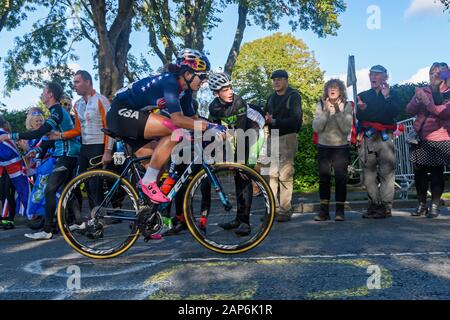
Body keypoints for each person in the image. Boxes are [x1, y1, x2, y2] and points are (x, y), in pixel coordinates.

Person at [106, 48, 225, 204]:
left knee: (157, 165)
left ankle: (145, 212)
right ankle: (147, 182)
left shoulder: (185, 92)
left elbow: (191, 118)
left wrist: (213, 127)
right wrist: (209, 127)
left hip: (134, 119)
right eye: (202, 76)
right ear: (188, 73)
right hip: (120, 113)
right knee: (175, 131)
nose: (204, 81)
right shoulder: (170, 82)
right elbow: (177, 120)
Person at [0, 82, 81, 240]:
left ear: (50, 94)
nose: (41, 94)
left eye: (44, 91)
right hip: (64, 155)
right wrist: (35, 151)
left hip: (68, 154)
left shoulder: (57, 110)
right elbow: (48, 139)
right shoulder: (53, 111)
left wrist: (11, 136)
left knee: (50, 190)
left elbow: (41, 132)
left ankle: (48, 229)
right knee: (64, 190)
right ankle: (78, 221)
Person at [202, 72, 265, 236]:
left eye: (230, 87)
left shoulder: (238, 102)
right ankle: (238, 218)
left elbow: (242, 134)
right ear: (216, 93)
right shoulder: (213, 107)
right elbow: (216, 133)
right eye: (225, 89)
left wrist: (237, 162)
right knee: (237, 174)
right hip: (239, 133)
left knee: (243, 174)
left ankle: (245, 222)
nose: (230, 92)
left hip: (254, 131)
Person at [48, 70, 114, 211]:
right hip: (85, 147)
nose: (74, 85)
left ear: (87, 82)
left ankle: (99, 222)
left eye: (77, 82)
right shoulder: (78, 104)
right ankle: (90, 220)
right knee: (82, 182)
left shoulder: (101, 100)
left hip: (99, 145)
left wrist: (108, 151)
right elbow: (78, 130)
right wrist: (59, 135)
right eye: (74, 83)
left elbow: (110, 128)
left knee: (95, 185)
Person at [406, 62, 450, 218]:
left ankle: (435, 205)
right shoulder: (423, 90)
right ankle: (421, 204)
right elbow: (409, 110)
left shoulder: (448, 93)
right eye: (432, 73)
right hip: (421, 137)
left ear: (446, 75)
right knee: (420, 173)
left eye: (439, 73)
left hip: (440, 137)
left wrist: (427, 102)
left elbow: (444, 113)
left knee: (437, 172)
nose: (434, 76)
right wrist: (417, 100)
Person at [263, 69, 302, 222]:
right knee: (271, 175)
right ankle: (272, 209)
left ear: (286, 80)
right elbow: (266, 115)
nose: (276, 82)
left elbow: (295, 120)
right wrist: (266, 119)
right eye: (274, 80)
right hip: (272, 137)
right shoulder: (271, 98)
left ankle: (285, 211)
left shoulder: (294, 96)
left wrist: (275, 121)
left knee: (285, 175)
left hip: (287, 137)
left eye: (279, 79)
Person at [312, 79, 353, 222]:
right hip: (324, 147)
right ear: (326, 90)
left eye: (335, 87)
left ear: (341, 90)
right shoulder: (320, 104)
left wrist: (337, 112)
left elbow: (346, 129)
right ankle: (324, 212)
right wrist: (325, 112)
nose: (332, 89)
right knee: (324, 179)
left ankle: (340, 211)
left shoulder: (347, 106)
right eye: (330, 87)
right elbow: (316, 128)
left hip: (340, 148)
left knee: (341, 180)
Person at [0, 116, 31, 230]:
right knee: (6, 194)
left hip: (14, 168)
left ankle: (10, 219)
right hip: (7, 168)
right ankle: (7, 219)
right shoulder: (4, 133)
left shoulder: (2, 134)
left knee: (12, 194)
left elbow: (8, 153)